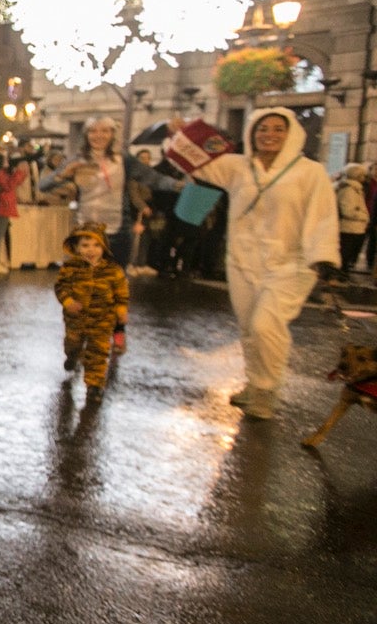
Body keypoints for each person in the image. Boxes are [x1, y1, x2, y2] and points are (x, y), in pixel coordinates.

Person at [180, 108, 338, 420]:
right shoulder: (238, 166)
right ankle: (254, 381)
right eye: (263, 129)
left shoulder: (310, 172)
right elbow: (196, 162)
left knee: (266, 326)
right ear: (252, 133)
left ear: (291, 133)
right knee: (249, 327)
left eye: (278, 129)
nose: (270, 135)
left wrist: (324, 257)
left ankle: (267, 390)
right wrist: (183, 132)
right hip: (242, 259)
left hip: (291, 263)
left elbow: (323, 215)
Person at [40, 118, 179, 266]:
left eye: (104, 131)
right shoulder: (77, 159)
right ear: (86, 135)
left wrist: (180, 185)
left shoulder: (124, 159)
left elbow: (153, 179)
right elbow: (43, 186)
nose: (98, 135)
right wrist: (62, 175)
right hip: (86, 232)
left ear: (113, 134)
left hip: (118, 232)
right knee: (85, 281)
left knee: (115, 281)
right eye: (93, 131)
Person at [55, 221, 128, 409]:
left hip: (103, 321)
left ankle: (94, 385)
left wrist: (121, 308)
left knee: (98, 352)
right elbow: (61, 287)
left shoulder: (113, 271)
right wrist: (68, 301)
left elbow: (121, 292)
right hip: (76, 320)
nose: (91, 250)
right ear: (76, 248)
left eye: (96, 245)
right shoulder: (70, 268)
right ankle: (72, 355)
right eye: (85, 245)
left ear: (103, 247)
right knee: (73, 343)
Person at [334, 163, 368, 279]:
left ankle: (342, 274)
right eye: (363, 176)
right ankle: (339, 276)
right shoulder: (349, 189)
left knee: (348, 254)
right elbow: (348, 211)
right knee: (345, 253)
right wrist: (363, 216)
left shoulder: (356, 189)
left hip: (355, 228)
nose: (364, 178)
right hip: (349, 228)